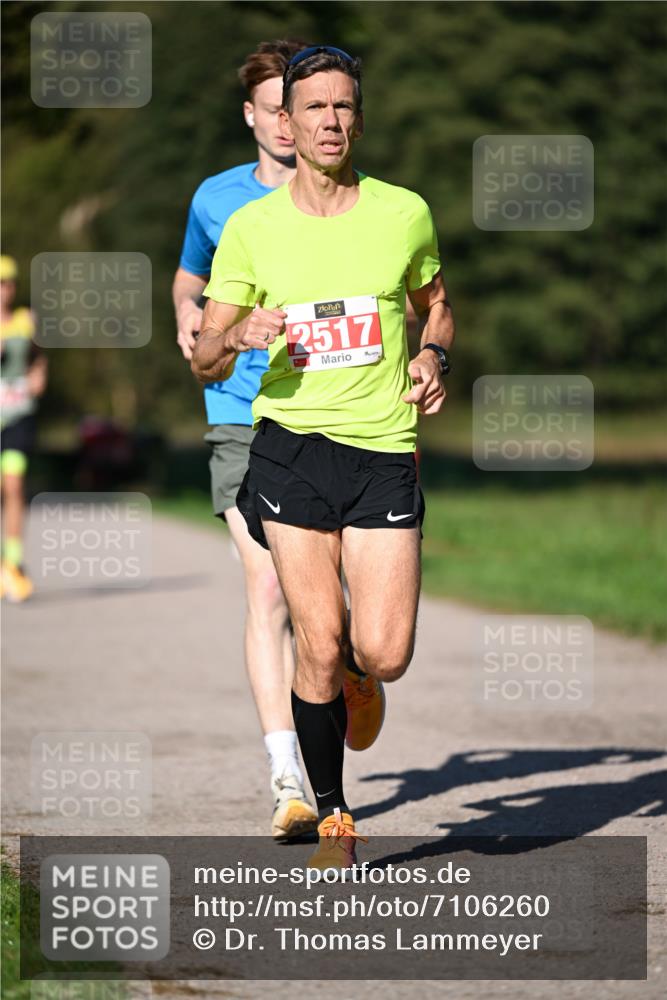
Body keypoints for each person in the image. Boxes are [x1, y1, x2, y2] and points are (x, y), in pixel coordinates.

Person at [192, 45, 455, 872]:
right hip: (290, 449)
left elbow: (435, 305)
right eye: (314, 108)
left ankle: (360, 678)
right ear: (287, 121)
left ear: (358, 118)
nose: (330, 122)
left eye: (344, 107)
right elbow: (202, 355)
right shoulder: (249, 227)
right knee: (313, 639)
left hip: (381, 447)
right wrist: (236, 333)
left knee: (382, 651)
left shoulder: (402, 212)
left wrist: (433, 356)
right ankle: (334, 813)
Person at [173, 40, 321, 841]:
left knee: (324, 609)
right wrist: (184, 320)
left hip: (326, 412)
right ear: (252, 116)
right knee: (265, 591)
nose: (286, 125)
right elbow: (188, 274)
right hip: (238, 411)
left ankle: (352, 667)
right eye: (271, 109)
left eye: (296, 108)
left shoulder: (344, 202)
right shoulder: (215, 198)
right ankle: (286, 779)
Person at [0, 255, 48, 602]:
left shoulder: (25, 320)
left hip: (17, 415)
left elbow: (39, 356)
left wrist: (38, 375)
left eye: (8, 283)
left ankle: (13, 563)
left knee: (14, 484)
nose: (4, 290)